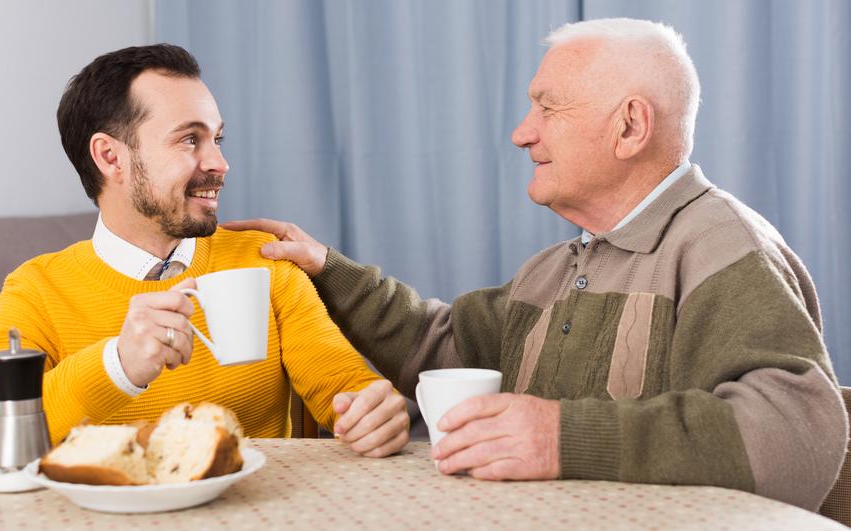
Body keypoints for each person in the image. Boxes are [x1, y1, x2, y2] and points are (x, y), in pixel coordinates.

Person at [224, 18, 847, 510]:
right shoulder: (557, 267)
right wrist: (327, 268)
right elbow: (444, 347)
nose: (523, 133)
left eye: (548, 108)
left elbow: (794, 434)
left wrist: (560, 437)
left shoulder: (722, 246)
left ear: (629, 126)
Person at [0, 44, 409, 460]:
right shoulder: (37, 290)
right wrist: (115, 367)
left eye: (216, 138)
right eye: (190, 139)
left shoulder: (265, 261)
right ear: (110, 157)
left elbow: (344, 388)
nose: (220, 164)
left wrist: (372, 412)